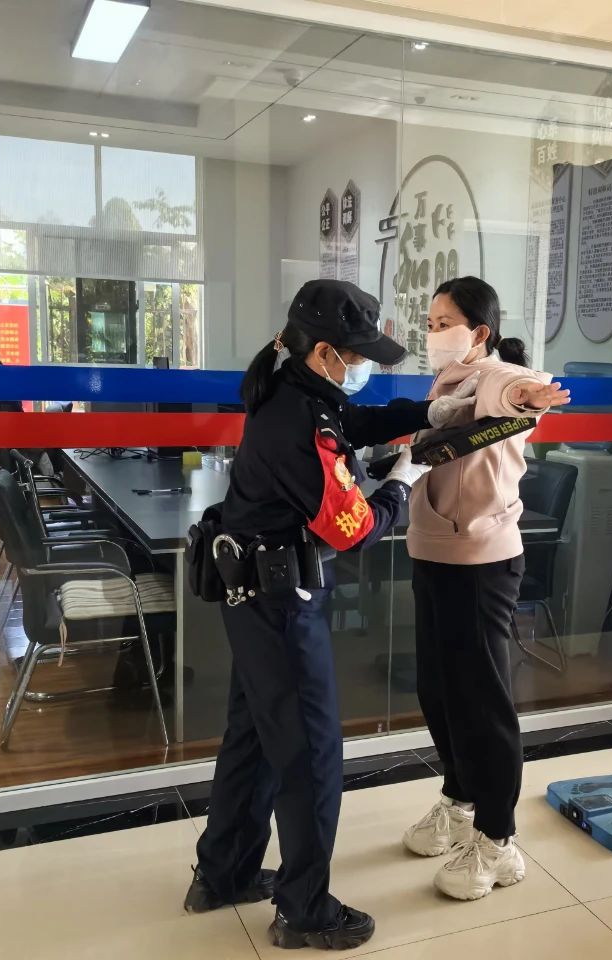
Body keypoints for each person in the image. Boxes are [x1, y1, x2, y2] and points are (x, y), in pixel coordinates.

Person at [184, 279, 476, 950]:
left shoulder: (290, 388)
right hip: (281, 608)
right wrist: (400, 484)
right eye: (359, 354)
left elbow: (353, 421)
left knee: (254, 738)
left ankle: (223, 873)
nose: (364, 365)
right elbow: (354, 528)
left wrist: (429, 412)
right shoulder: (299, 425)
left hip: (251, 598)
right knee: (312, 755)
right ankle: (304, 910)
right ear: (325, 353)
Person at [401, 276, 570, 901]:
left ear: (479, 332)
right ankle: (460, 796)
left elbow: (512, 391)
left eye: (445, 323)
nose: (434, 334)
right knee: (437, 688)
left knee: (481, 699)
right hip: (431, 551)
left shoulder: (494, 373)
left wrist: (529, 393)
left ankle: (499, 839)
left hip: (480, 562)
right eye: (429, 323)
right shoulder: (445, 383)